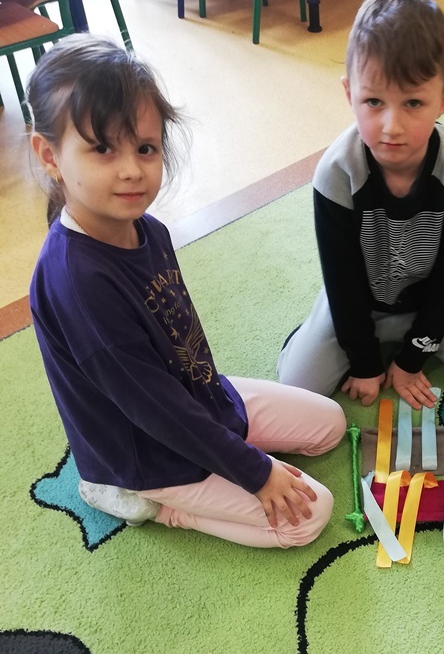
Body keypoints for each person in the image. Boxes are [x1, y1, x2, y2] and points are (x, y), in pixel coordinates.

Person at [27, 35, 346, 548]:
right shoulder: (80, 284)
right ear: (50, 155)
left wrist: (230, 435)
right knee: (309, 516)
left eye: (145, 148)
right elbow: (155, 410)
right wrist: (256, 472)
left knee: (329, 425)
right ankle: (148, 502)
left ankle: (215, 448)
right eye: (102, 148)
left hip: (197, 398)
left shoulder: (147, 229)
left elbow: (179, 344)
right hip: (146, 449)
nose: (132, 169)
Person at [277, 0, 444, 412]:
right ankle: (330, 324)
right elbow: (343, 277)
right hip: (358, 300)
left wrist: (410, 360)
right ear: (349, 94)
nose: (392, 126)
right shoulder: (337, 173)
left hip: (430, 300)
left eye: (413, 103)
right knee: (297, 384)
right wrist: (365, 363)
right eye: (373, 101)